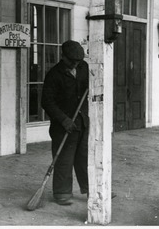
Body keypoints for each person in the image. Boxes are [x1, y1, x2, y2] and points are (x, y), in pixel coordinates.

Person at [41, 40, 89, 205]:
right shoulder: (54, 74)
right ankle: (62, 193)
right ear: (63, 57)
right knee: (64, 159)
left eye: (78, 61)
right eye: (72, 61)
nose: (75, 65)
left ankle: (91, 188)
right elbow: (46, 102)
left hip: (82, 121)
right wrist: (64, 119)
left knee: (84, 157)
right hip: (63, 125)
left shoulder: (84, 68)